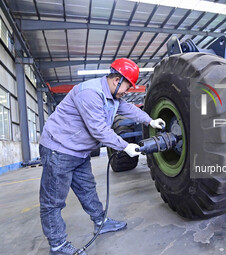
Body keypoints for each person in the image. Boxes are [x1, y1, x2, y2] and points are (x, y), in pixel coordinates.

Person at [39, 58, 165, 255]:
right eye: (127, 86)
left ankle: (100, 222)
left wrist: (150, 121)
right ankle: (58, 246)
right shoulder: (90, 93)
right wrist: (125, 147)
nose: (127, 91)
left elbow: (129, 109)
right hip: (59, 149)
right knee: (53, 201)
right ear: (116, 80)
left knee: (87, 188)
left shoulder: (113, 97)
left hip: (79, 151)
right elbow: (99, 131)